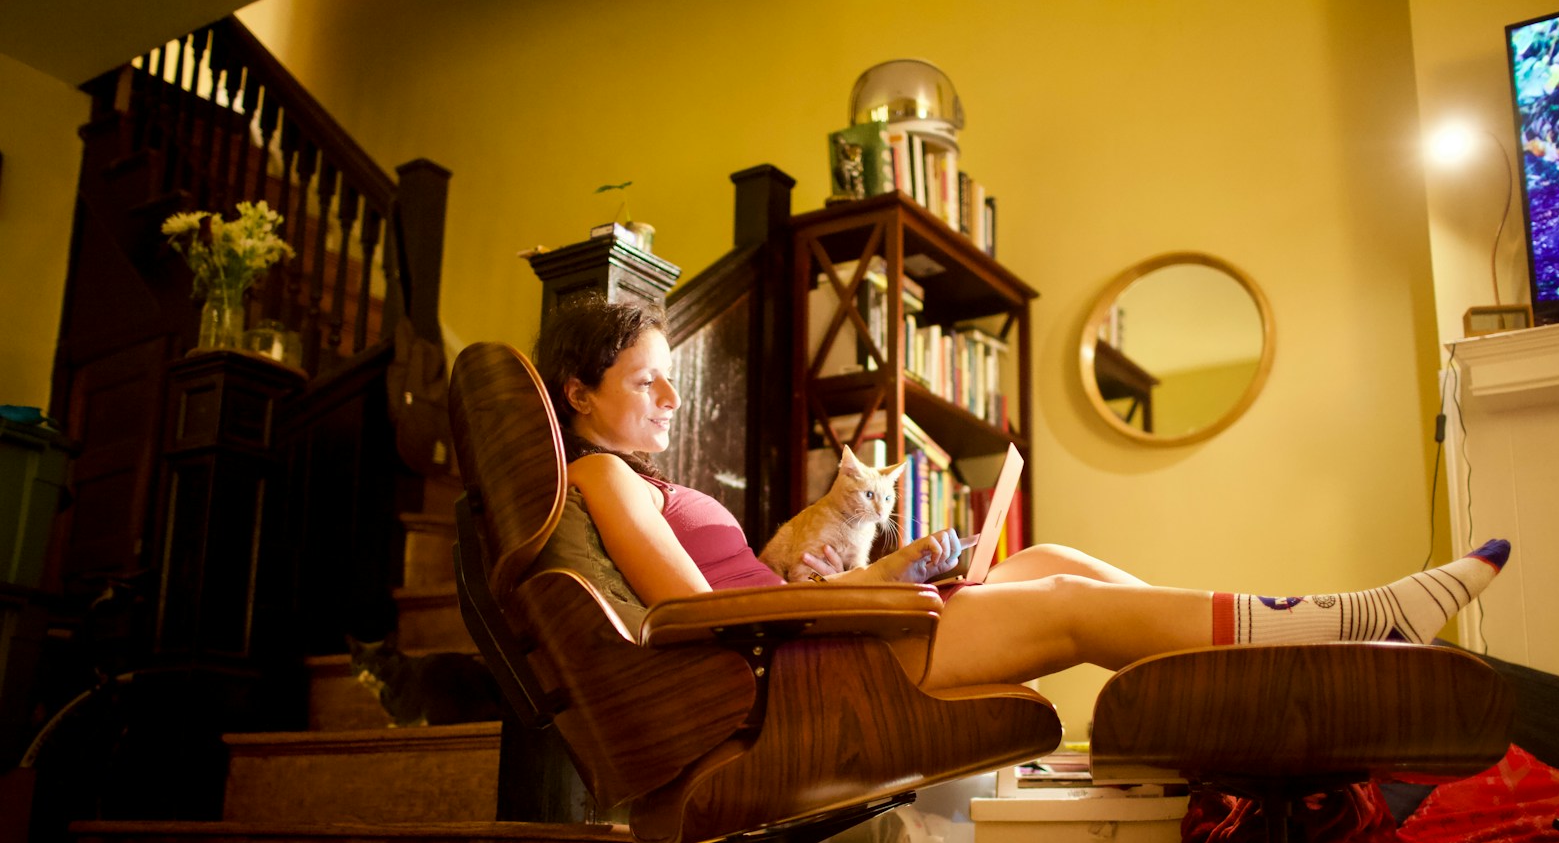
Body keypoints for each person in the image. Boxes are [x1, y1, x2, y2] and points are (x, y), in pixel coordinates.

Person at [537, 295, 1509, 692]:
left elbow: (748, 592)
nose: (670, 396)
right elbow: (696, 613)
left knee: (1042, 559)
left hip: (806, 638)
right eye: (644, 380)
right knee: (1065, 602)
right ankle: (1345, 625)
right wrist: (872, 598)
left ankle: (1293, 650)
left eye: (672, 375)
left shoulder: (651, 480)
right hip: (782, 675)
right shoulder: (598, 473)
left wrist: (893, 569)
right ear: (579, 393)